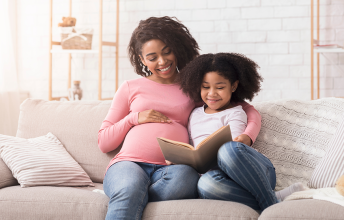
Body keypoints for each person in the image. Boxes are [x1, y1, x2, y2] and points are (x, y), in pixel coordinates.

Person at [98, 17, 263, 220]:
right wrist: (134, 118)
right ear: (142, 60)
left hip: (173, 169)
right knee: (129, 186)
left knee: (186, 180)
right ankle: (130, 191)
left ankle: (134, 195)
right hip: (129, 163)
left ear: (177, 47)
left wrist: (248, 136)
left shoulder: (193, 85)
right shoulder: (130, 87)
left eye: (167, 51)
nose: (162, 61)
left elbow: (247, 109)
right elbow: (104, 142)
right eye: (152, 57)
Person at [177, 52, 306, 212]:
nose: (212, 93)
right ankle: (275, 198)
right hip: (220, 178)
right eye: (205, 87)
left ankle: (270, 206)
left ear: (234, 86)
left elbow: (234, 148)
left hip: (253, 171)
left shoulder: (236, 112)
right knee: (206, 185)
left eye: (220, 87)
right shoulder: (194, 114)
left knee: (228, 149)